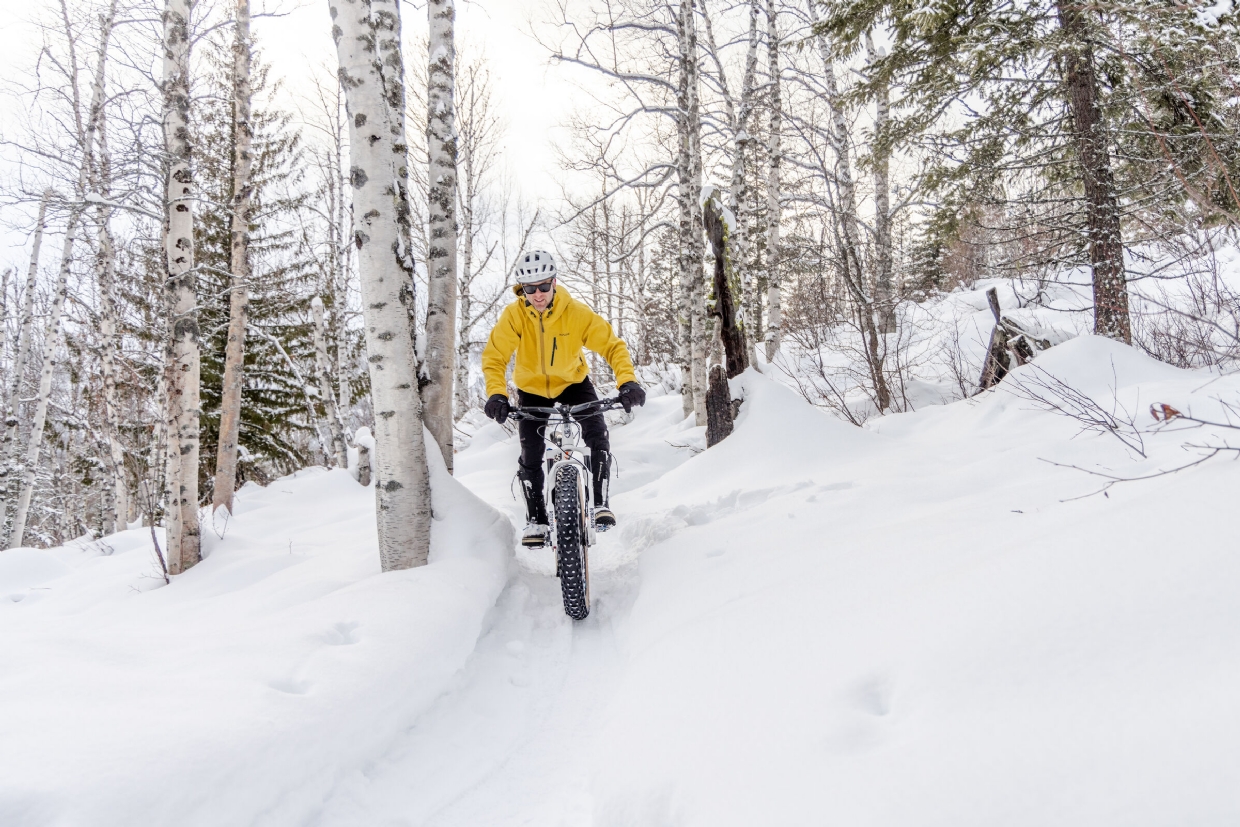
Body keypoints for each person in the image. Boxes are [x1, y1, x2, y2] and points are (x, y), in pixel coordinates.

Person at [481, 250, 646, 548]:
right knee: (531, 451)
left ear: (554, 282)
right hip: (531, 389)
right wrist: (497, 393)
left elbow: (612, 346)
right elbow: (495, 357)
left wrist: (627, 381)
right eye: (530, 289)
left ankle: (599, 504)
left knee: (597, 434)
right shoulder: (514, 316)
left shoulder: (576, 313)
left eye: (544, 286)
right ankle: (537, 520)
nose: (538, 295)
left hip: (573, 382)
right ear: (522, 289)